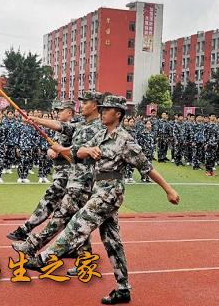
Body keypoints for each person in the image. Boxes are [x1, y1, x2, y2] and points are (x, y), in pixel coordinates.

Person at [24, 95, 180, 305]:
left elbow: (146, 167)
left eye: (108, 109)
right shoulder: (101, 134)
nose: (103, 112)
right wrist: (86, 150)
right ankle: (123, 289)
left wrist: (168, 190)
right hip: (99, 189)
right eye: (103, 108)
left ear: (118, 114)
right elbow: (77, 150)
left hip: (110, 192)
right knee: (112, 242)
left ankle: (44, 258)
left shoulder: (125, 140)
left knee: (78, 223)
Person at [6, 100, 75, 241]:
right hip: (60, 171)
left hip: (69, 173)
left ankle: (25, 229)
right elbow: (54, 144)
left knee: (50, 201)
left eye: (60, 110)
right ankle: (76, 245)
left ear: (69, 112)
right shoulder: (59, 130)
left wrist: (35, 119)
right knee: (69, 209)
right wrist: (51, 151)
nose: (57, 113)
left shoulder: (75, 126)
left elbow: (75, 148)